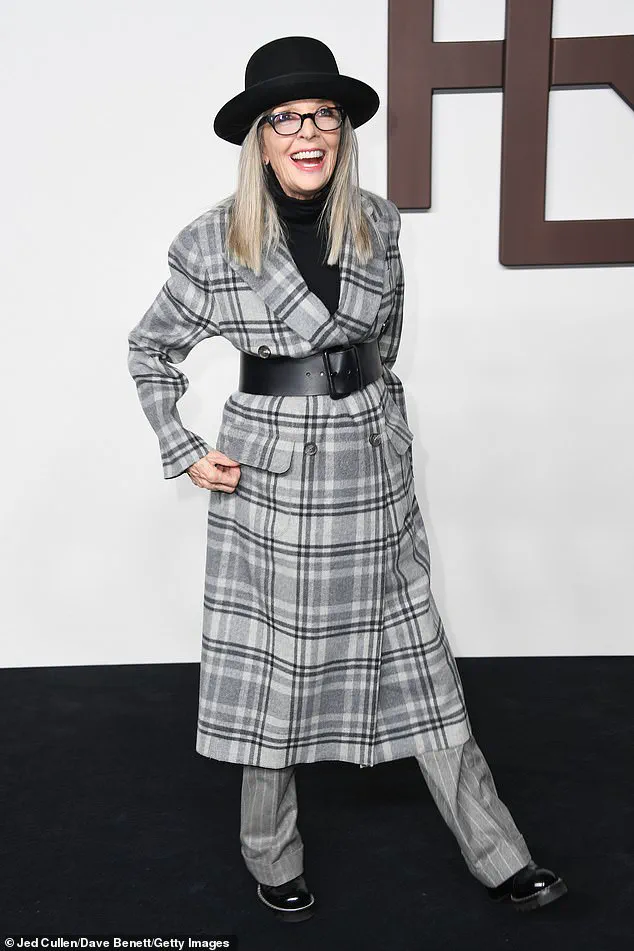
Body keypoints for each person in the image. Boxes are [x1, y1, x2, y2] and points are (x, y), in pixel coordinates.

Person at [127, 35, 568, 923]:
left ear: (342, 131)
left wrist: (376, 417)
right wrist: (183, 444)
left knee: (425, 663)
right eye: (286, 119)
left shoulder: (377, 222)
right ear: (260, 139)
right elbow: (150, 349)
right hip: (273, 479)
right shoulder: (211, 241)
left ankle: (501, 853)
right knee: (275, 674)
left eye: (323, 116)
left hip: (372, 468)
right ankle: (271, 853)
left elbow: (383, 341)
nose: (308, 134)